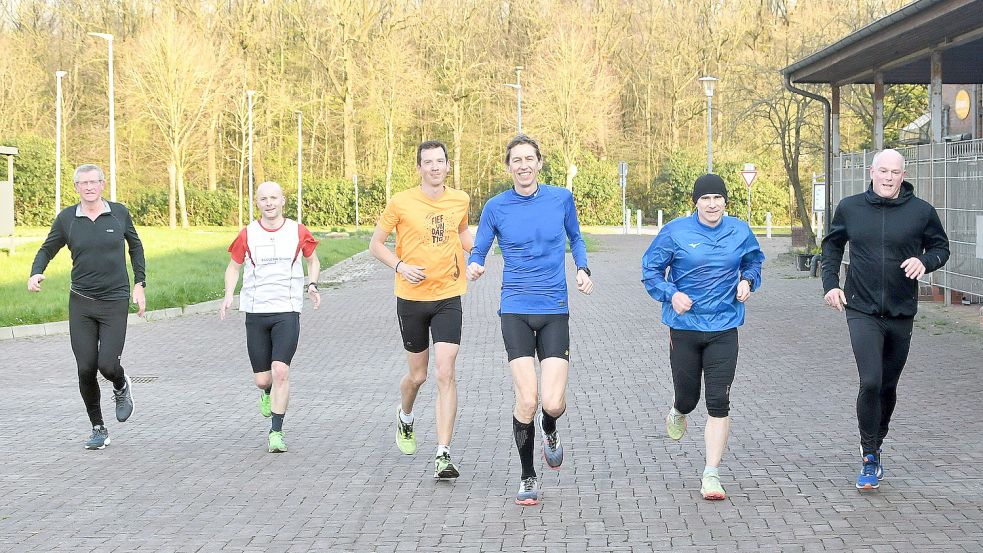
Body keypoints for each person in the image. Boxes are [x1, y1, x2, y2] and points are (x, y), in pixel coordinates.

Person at [467, 134, 593, 506]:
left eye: (529, 159)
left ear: (540, 163)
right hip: (516, 310)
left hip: (554, 309)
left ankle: (550, 428)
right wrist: (476, 263)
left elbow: (577, 237)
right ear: (508, 167)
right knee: (527, 398)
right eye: (516, 160)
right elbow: (481, 244)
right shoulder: (496, 206)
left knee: (552, 402)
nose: (523, 165)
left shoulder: (560, 199)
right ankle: (527, 475)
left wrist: (582, 268)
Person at [821, 148, 949, 491]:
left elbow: (941, 247)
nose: (889, 178)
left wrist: (925, 262)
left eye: (895, 172)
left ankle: (877, 441)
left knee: (888, 386)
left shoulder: (921, 212)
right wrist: (830, 285)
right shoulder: (850, 207)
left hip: (900, 312)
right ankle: (869, 456)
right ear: (872, 172)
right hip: (861, 309)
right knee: (871, 381)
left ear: (903, 175)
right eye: (883, 171)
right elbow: (832, 248)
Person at [641, 174, 764, 501]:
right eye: (705, 198)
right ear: (695, 202)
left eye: (717, 198)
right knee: (688, 396)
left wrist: (748, 281)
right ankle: (679, 410)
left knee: (718, 402)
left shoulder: (739, 230)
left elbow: (754, 262)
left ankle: (711, 474)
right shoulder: (675, 232)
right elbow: (650, 271)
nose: (712, 204)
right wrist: (671, 294)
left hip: (724, 327)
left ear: (725, 201)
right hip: (684, 328)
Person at [370, 140, 473, 479]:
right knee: (419, 376)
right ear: (418, 168)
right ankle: (406, 415)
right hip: (411, 298)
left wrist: (479, 256)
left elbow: (462, 235)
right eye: (427, 162)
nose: (434, 167)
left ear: (447, 165)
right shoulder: (400, 202)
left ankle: (443, 453)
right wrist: (399, 266)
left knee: (446, 372)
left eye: (439, 161)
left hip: (448, 295)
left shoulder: (460, 199)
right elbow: (375, 245)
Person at [27, 163, 144, 450]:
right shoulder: (67, 218)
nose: (89, 187)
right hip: (81, 302)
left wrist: (140, 283)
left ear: (103, 184)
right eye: (83, 183)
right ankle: (98, 428)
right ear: (76, 187)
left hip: (115, 300)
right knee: (85, 368)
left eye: (94, 182)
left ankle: (120, 383)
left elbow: (136, 246)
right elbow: (47, 248)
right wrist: (36, 270)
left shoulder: (118, 213)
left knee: (107, 364)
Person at [220, 181, 321, 453]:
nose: (269, 203)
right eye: (263, 198)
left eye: (273, 197)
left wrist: (312, 284)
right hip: (255, 311)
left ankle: (276, 432)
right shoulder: (248, 234)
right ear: (257, 202)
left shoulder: (297, 231)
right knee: (263, 380)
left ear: (283, 200)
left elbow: (313, 260)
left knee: (281, 371)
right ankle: (266, 393)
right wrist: (229, 293)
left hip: (286, 310)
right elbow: (233, 267)